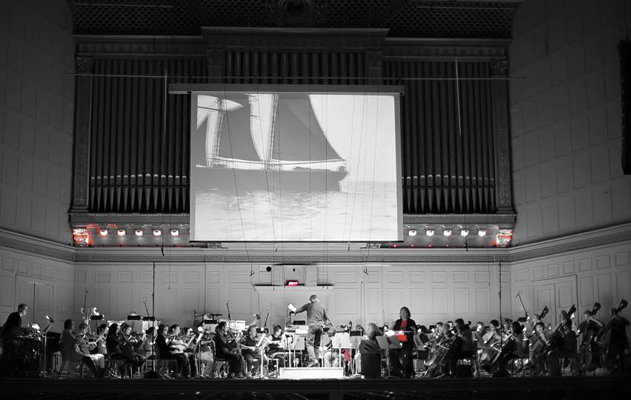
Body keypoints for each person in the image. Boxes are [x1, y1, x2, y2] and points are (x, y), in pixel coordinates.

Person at [289, 294, 331, 367]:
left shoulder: (308, 305)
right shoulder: (322, 307)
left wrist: (291, 308)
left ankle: (313, 359)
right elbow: (326, 319)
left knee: (309, 344)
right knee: (317, 345)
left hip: (312, 326)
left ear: (311, 300)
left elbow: (297, 310)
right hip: (320, 327)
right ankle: (317, 362)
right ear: (317, 299)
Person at [388, 306, 417, 378]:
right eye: (402, 312)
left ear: (408, 313)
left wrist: (414, 330)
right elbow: (394, 331)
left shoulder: (411, 322)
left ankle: (407, 372)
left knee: (407, 355)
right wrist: (391, 328)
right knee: (391, 352)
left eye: (405, 312)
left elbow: (415, 333)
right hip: (398, 341)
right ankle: (397, 370)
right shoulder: (398, 322)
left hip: (408, 342)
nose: (403, 314)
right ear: (400, 314)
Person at [1, 303, 28, 376]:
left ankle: (5, 373)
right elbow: (16, 330)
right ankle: (11, 374)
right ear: (20, 309)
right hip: (10, 338)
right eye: (25, 309)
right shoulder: (17, 317)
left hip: (6, 337)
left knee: (6, 356)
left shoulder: (13, 314)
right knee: (13, 355)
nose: (26, 311)